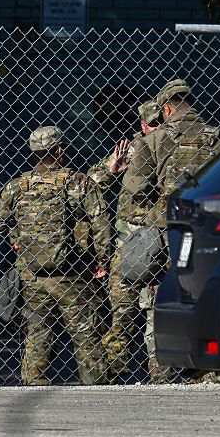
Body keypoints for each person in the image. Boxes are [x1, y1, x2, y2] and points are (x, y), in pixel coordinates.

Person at [120, 79, 220, 382]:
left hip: (168, 238)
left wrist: (162, 213)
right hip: (212, 234)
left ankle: (162, 373)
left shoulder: (151, 143)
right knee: (207, 297)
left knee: (160, 301)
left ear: (166, 108)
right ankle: (209, 372)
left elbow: (132, 197)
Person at [0, 126, 110, 385]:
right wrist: (102, 260)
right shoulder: (78, 182)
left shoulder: (17, 186)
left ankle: (33, 384)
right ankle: (97, 389)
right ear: (59, 150)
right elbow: (100, 223)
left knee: (37, 333)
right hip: (73, 273)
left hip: (32, 274)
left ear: (34, 152)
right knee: (85, 333)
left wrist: (19, 239)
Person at [88, 99, 166, 381]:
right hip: (129, 243)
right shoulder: (134, 148)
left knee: (160, 313)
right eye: (152, 124)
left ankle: (160, 374)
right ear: (143, 125)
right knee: (122, 314)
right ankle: (114, 374)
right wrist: (113, 170)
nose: (157, 129)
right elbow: (91, 184)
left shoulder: (173, 148)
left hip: (162, 241)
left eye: (161, 123)